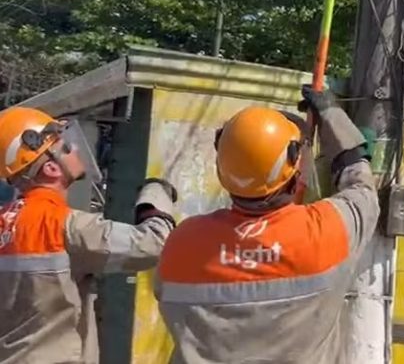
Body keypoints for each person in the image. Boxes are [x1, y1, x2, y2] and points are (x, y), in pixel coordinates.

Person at [154, 86, 379, 364]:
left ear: (223, 171)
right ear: (296, 175)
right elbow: (361, 185)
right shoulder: (327, 231)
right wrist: (331, 113)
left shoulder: (182, 244)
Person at [0, 106, 178, 363]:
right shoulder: (66, 226)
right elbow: (153, 243)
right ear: (51, 168)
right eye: (67, 146)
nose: (76, 149)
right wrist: (155, 194)